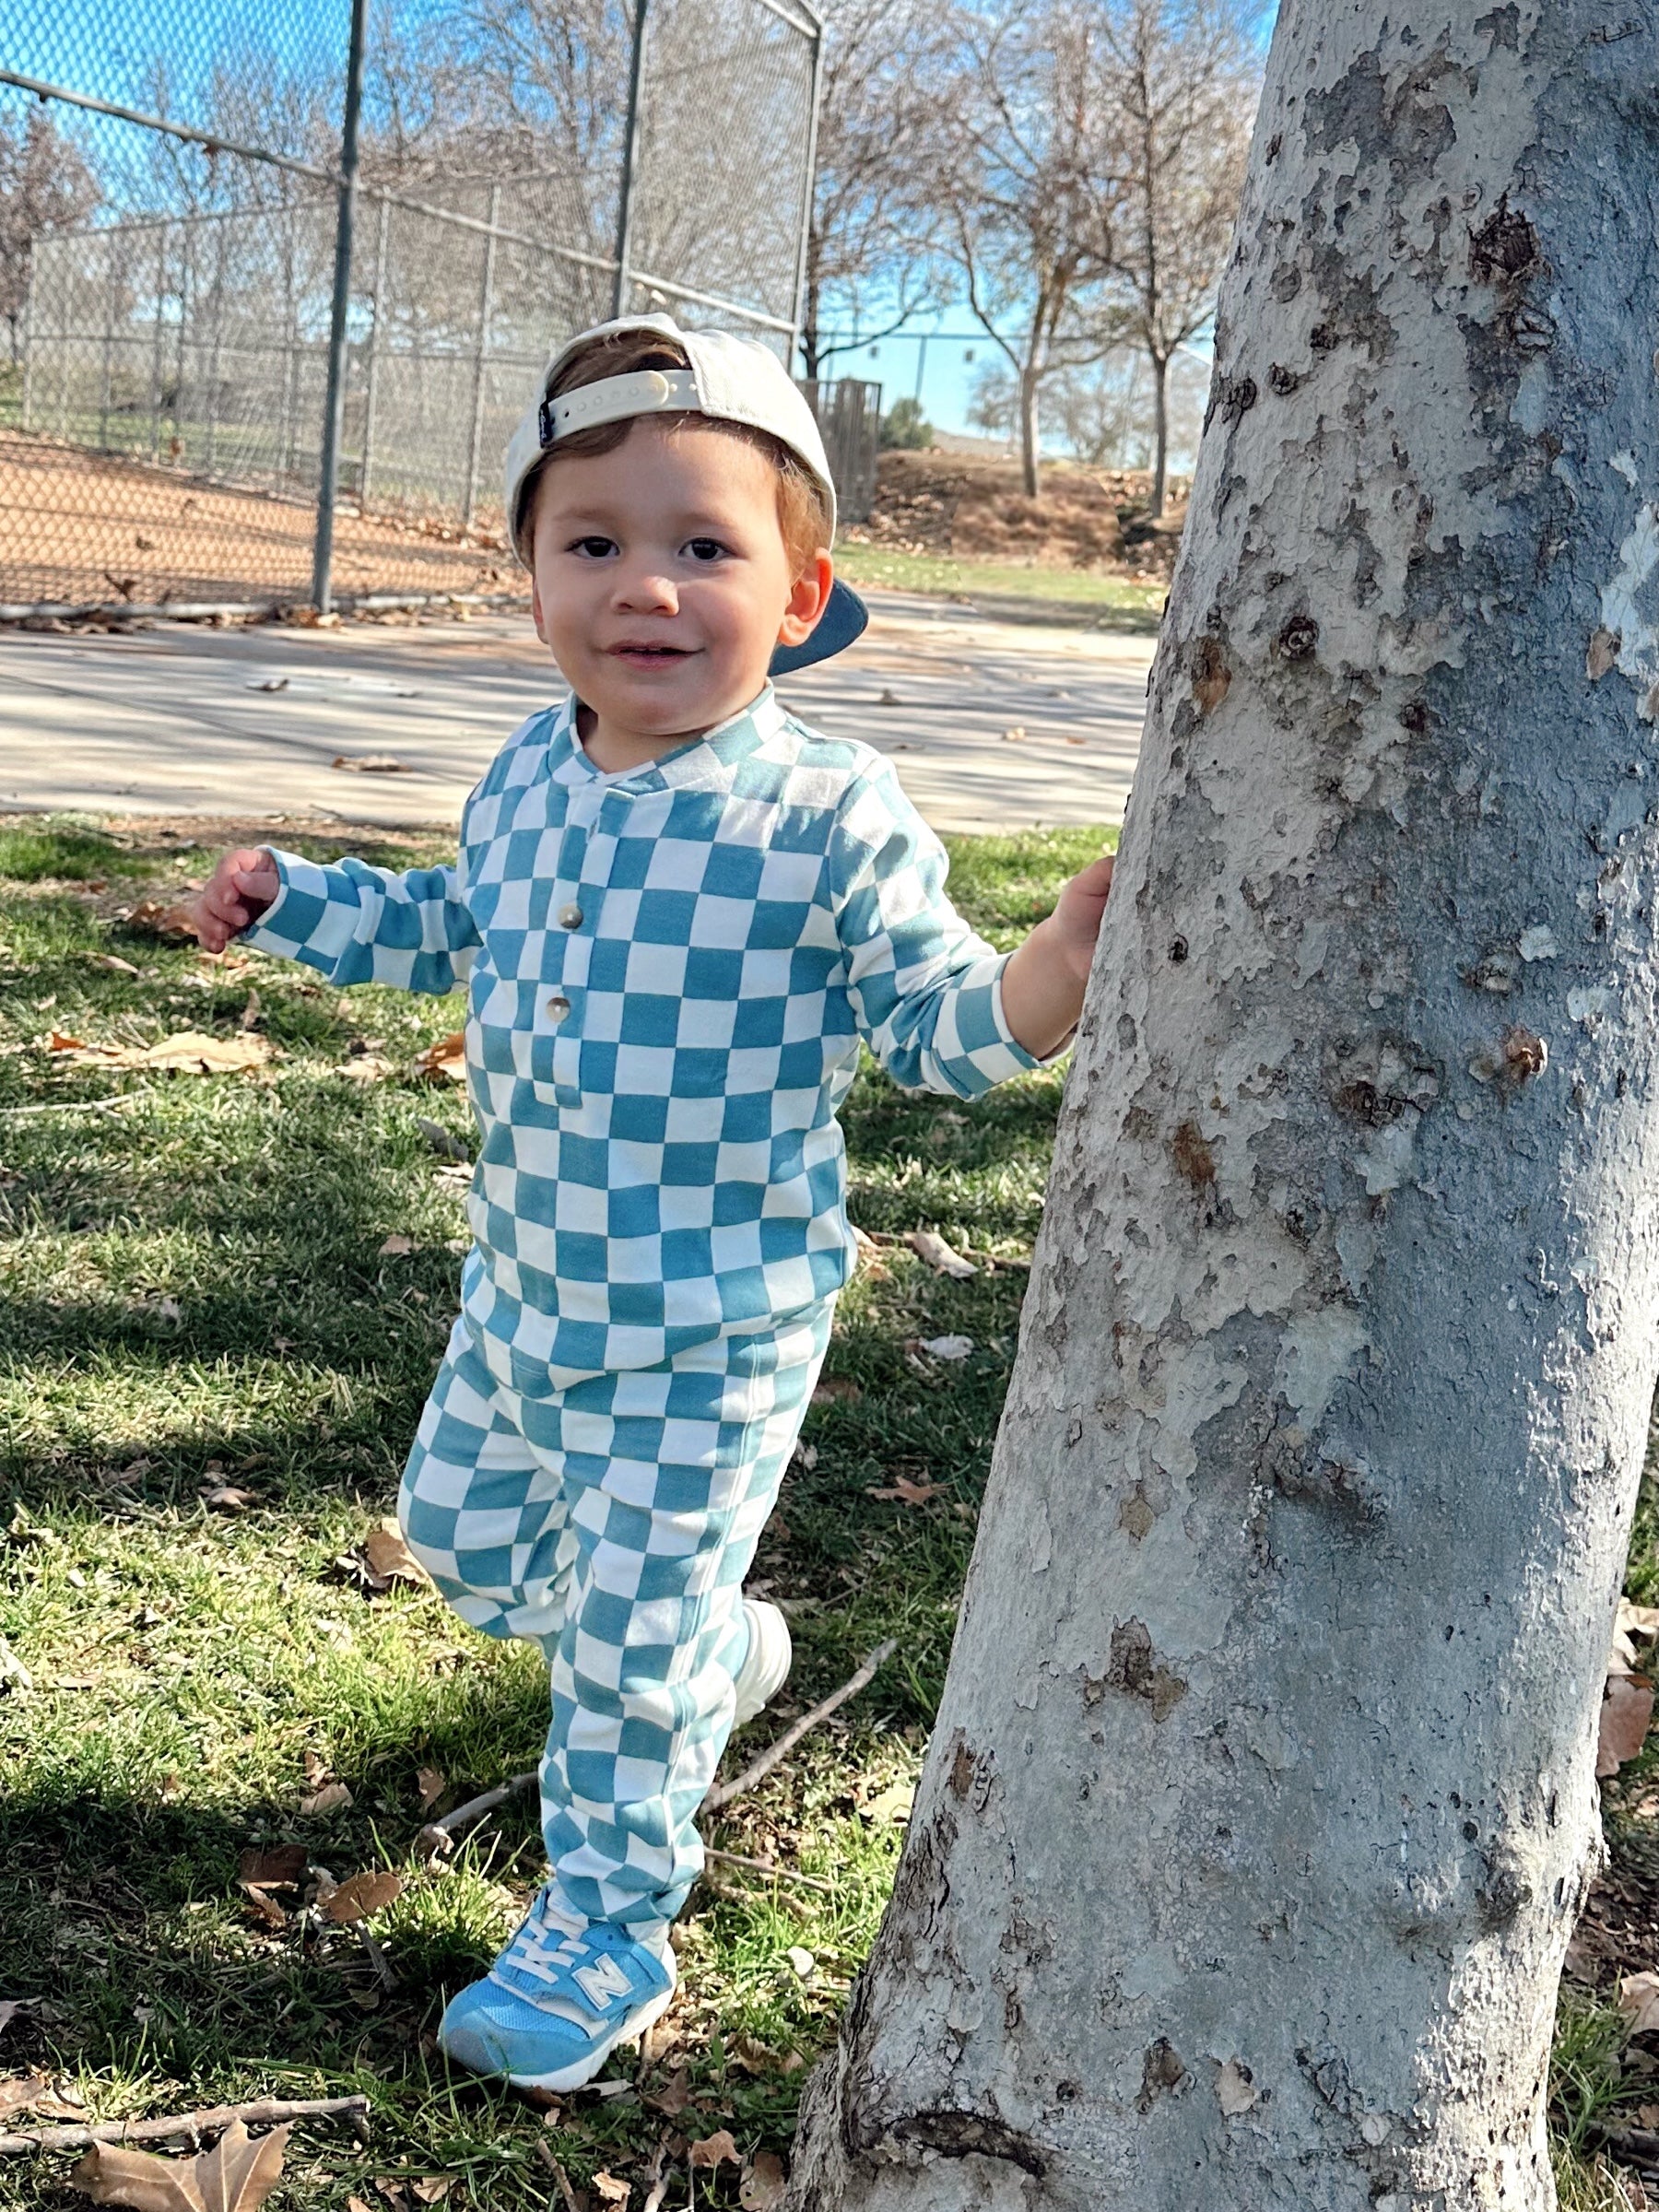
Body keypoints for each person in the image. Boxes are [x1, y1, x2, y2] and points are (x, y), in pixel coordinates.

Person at [194, 313, 1113, 2091]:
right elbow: (451, 933)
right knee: (467, 1552)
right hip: (524, 1297)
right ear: (531, 572)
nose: (649, 588)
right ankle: (717, 1650)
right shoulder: (529, 772)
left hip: (710, 1332)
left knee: (614, 1667)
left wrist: (1050, 970)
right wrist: (300, 902)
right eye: (596, 542)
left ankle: (603, 1934)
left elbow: (937, 1033)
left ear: (800, 590)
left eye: (706, 546)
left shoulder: (825, 813)